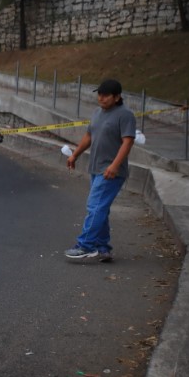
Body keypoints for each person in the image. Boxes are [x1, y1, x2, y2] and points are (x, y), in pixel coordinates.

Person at [64, 79, 136, 262]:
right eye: (99, 94)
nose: (101, 98)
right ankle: (103, 247)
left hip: (111, 171)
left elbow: (128, 142)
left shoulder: (125, 115)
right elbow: (89, 136)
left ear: (117, 97)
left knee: (95, 207)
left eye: (106, 95)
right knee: (100, 208)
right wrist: (75, 155)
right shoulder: (97, 112)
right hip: (96, 168)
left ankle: (85, 245)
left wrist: (115, 165)